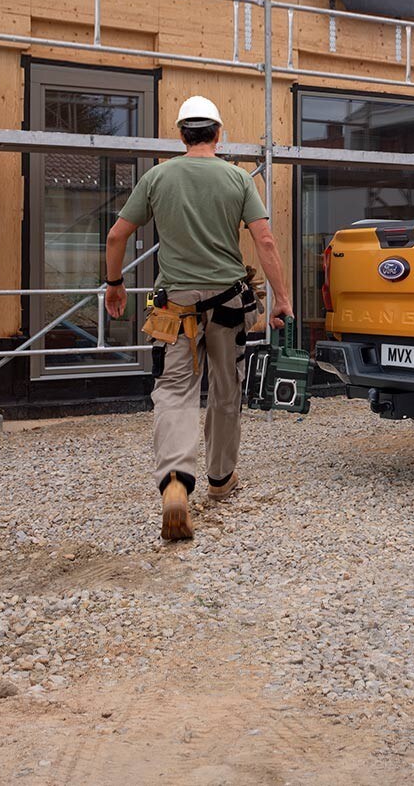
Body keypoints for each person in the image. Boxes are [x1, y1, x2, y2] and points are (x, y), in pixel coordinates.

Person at [104, 96, 293, 541]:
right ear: (218, 133)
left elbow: (117, 234)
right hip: (228, 301)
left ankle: (174, 481)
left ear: (181, 134)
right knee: (226, 389)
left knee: (172, 391)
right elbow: (264, 242)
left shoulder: (156, 176)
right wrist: (282, 298)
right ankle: (222, 479)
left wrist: (114, 283)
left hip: (170, 304)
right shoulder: (236, 178)